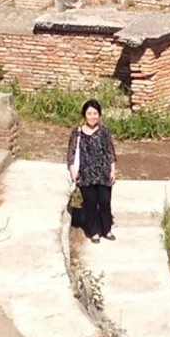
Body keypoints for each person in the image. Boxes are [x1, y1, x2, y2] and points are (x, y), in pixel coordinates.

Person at [67, 99, 117, 244]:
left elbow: (110, 152)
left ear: (99, 115)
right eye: (89, 113)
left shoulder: (104, 131)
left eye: (95, 113)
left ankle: (106, 229)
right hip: (85, 173)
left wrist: (112, 170)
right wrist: (72, 171)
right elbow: (71, 154)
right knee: (90, 202)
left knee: (104, 201)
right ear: (84, 115)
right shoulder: (77, 132)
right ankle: (94, 231)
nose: (92, 117)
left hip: (103, 172)